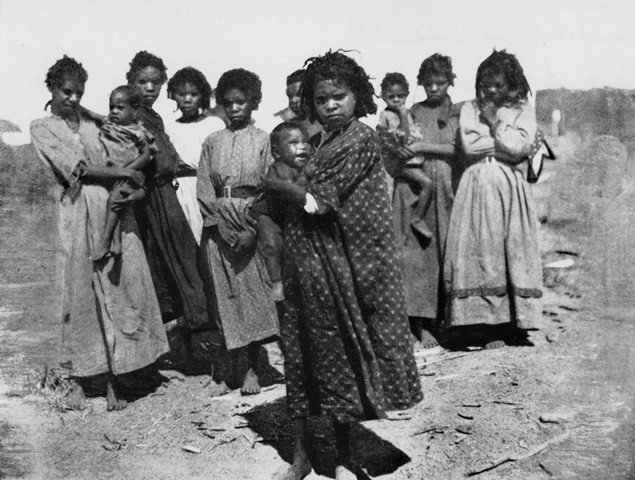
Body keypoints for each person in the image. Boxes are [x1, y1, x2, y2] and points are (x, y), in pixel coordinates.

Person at [272, 51, 423, 480]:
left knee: (334, 357)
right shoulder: (319, 141)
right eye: (322, 100)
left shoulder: (358, 140)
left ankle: (340, 456)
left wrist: (274, 184)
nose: (332, 105)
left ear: (358, 97)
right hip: (307, 260)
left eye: (340, 96)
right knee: (302, 353)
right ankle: (303, 457)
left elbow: (317, 202)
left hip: (336, 264)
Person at [30, 56, 169, 411]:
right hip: (79, 212)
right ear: (51, 89)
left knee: (126, 285)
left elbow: (125, 147)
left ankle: (132, 370)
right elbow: (78, 169)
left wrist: (133, 180)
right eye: (66, 91)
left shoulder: (96, 124)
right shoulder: (43, 128)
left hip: (117, 209)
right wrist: (126, 172)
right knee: (91, 293)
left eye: (79, 92)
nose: (73, 99)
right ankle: (101, 380)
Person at [443, 49, 542, 350]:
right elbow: (470, 145)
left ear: (511, 84)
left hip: (510, 189)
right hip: (477, 186)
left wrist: (495, 121)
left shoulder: (523, 108)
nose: (491, 90)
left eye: (498, 84)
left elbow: (518, 146)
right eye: (486, 84)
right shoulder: (471, 108)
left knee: (511, 249)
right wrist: (507, 146)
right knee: (481, 251)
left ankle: (512, 324)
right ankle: (482, 325)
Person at [198, 68, 279, 396]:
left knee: (250, 298)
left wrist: (253, 232)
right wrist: (216, 226)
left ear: (254, 102)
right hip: (219, 220)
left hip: (250, 217)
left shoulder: (264, 140)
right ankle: (225, 371)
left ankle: (250, 370)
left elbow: (270, 187)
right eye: (228, 102)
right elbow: (204, 185)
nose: (234, 108)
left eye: (241, 102)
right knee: (224, 298)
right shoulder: (212, 142)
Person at [125, 51, 211, 362]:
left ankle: (200, 345)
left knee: (185, 261)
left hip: (166, 194)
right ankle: (156, 353)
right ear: (130, 81)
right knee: (155, 267)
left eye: (155, 82)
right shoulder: (127, 115)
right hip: (144, 197)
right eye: (142, 81)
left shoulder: (156, 118)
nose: (149, 88)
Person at [387, 54, 461, 350]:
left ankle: (444, 323)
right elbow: (394, 148)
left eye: (440, 82)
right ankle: (418, 325)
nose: (433, 88)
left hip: (445, 185)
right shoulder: (411, 111)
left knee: (446, 252)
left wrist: (421, 146)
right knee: (418, 255)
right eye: (428, 83)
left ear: (450, 82)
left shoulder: (456, 112)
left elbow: (456, 149)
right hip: (413, 187)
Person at [249, 122, 313, 302]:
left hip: (290, 215)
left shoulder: (308, 165)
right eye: (293, 143)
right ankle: (276, 281)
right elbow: (291, 188)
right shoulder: (280, 167)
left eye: (305, 142)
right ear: (277, 153)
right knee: (271, 244)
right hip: (269, 213)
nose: (302, 147)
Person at [93, 85, 156, 261]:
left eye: (120, 108)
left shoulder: (139, 131)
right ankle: (117, 243)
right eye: (111, 107)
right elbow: (92, 115)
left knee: (115, 200)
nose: (114, 111)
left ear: (134, 110)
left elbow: (146, 155)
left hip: (130, 175)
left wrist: (129, 170)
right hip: (116, 173)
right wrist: (79, 109)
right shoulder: (109, 123)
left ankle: (106, 241)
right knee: (115, 203)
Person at [166, 67, 225, 244]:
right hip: (177, 189)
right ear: (173, 96)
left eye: (194, 94)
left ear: (203, 97)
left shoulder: (213, 124)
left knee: (206, 241)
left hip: (204, 188)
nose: (187, 99)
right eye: (181, 94)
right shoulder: (169, 128)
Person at [377, 72, 433, 238]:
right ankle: (417, 219)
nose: (396, 100)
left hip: (412, 161)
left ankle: (418, 215)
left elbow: (416, 136)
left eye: (400, 96)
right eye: (391, 96)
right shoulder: (386, 115)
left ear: (407, 95)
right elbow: (402, 137)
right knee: (427, 184)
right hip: (400, 163)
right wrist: (402, 115)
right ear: (383, 97)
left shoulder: (409, 113)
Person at [273, 69, 322, 139]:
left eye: (299, 95)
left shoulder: (327, 122)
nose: (292, 101)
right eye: (289, 96)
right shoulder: (280, 121)